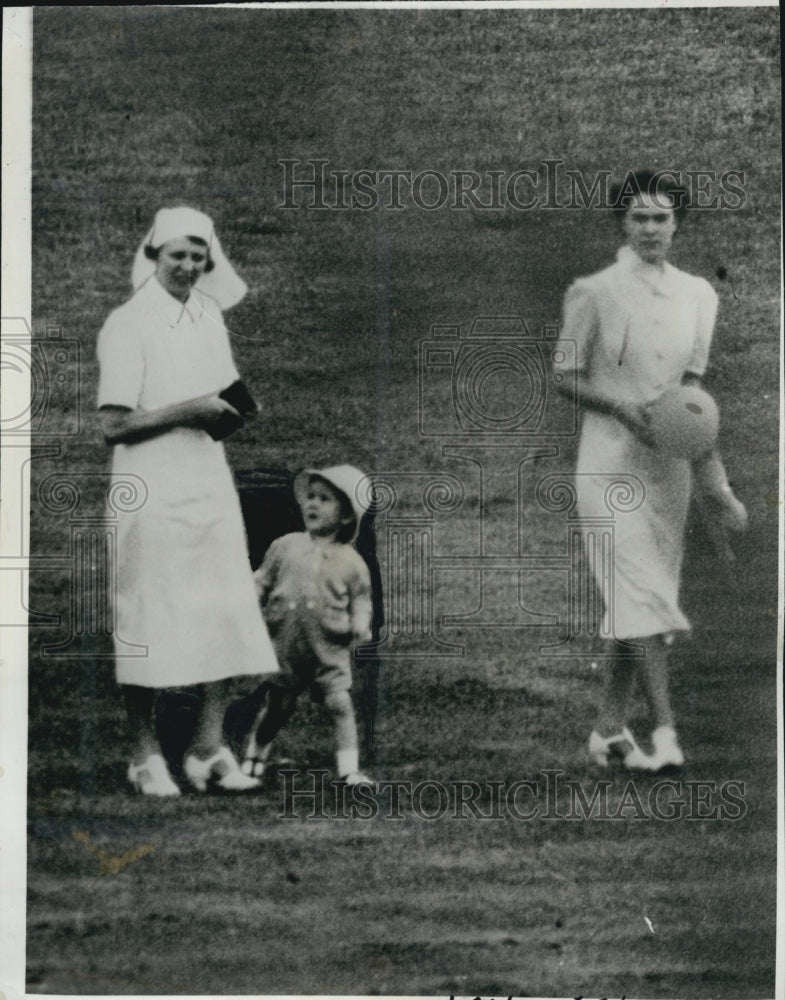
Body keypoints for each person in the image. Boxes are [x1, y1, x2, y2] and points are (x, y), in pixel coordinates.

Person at [554, 171, 747, 772]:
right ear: (622, 222)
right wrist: (619, 406)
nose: (650, 229)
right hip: (608, 467)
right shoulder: (593, 292)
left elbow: (693, 402)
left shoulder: (699, 296)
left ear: (677, 223)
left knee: (641, 600)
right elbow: (561, 375)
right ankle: (665, 732)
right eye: (639, 218)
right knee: (639, 593)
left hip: (668, 475)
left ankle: (609, 730)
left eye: (661, 218)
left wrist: (718, 488)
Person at [96, 206, 279, 796]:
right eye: (178, 254)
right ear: (154, 256)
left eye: (200, 256)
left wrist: (232, 413)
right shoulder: (126, 324)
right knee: (148, 613)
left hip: (206, 478)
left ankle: (207, 747)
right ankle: (144, 753)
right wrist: (192, 412)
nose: (190, 265)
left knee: (223, 605)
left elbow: (222, 393)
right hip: (148, 485)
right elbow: (114, 426)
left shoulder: (206, 315)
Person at [241, 465, 374, 785]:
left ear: (346, 517)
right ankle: (254, 755)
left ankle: (348, 769)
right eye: (310, 497)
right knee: (278, 707)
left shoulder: (352, 562)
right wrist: (248, 600)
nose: (312, 504)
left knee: (339, 703)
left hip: (329, 647)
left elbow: (361, 598)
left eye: (325, 499)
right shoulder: (284, 546)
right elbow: (262, 580)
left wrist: (360, 624)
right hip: (287, 645)